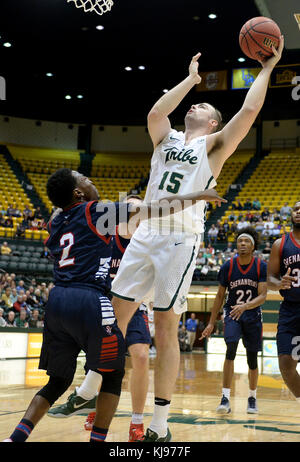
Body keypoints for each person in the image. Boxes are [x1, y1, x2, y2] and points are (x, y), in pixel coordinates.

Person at [109, 41, 283, 441]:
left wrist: (268, 68)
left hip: (179, 237)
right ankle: (90, 389)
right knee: (114, 315)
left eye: (201, 107)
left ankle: (159, 422)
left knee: (166, 327)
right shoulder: (165, 138)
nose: (193, 107)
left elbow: (250, 111)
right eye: (193, 104)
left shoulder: (215, 145)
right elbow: (156, 112)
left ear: (212, 123)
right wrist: (190, 81)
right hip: (147, 230)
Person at [3, 169, 224, 443]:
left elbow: (60, 215)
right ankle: (98, 436)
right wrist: (197, 196)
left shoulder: (56, 220)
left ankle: (15, 438)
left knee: (57, 381)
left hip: (57, 300)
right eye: (86, 180)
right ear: (78, 193)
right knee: (113, 373)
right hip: (88, 298)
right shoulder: (95, 211)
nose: (92, 181)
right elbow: (156, 208)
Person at [48, 195, 152, 443]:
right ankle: (94, 407)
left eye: (140, 210)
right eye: (131, 209)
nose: (135, 213)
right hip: (105, 305)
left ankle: (136, 423)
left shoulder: (147, 242)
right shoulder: (106, 238)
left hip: (136, 306)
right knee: (102, 357)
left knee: (140, 355)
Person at [201, 227, 267, 415]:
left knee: (252, 359)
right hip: (232, 313)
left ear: (253, 246)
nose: (243, 244)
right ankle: (225, 398)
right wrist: (211, 323)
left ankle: (252, 398)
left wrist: (245, 306)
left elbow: (263, 296)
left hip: (252, 315)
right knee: (230, 350)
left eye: (246, 241)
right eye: (240, 241)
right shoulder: (228, 266)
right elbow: (220, 296)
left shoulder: (260, 266)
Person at [267, 201, 300, 404]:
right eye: (296, 208)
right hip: (290, 311)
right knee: (286, 364)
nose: (299, 212)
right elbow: (269, 278)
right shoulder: (280, 244)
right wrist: (279, 283)